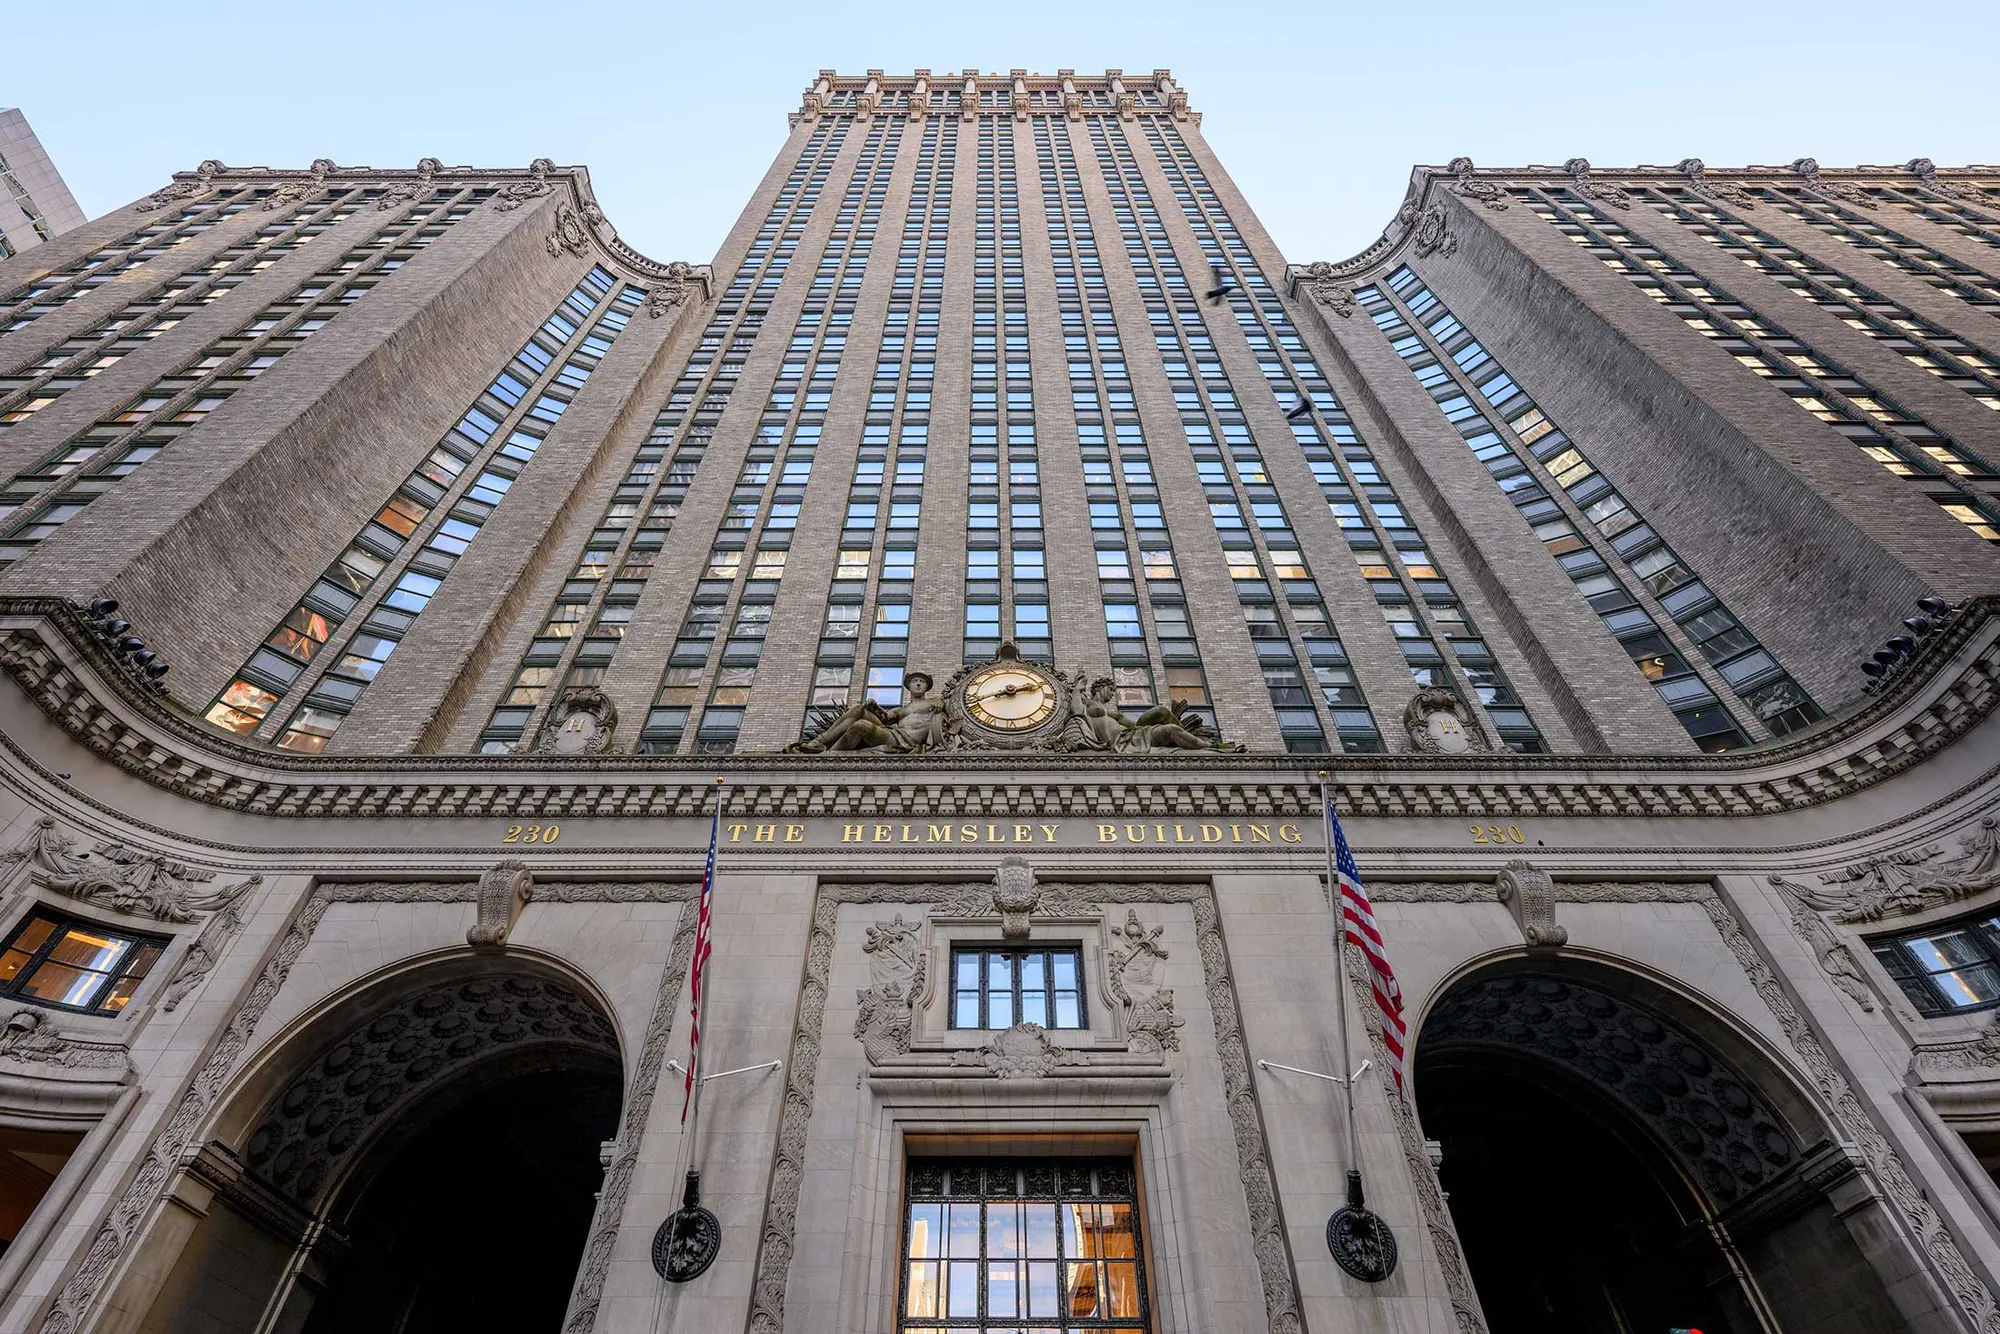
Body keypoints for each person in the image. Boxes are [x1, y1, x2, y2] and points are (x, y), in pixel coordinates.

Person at [1069, 675, 1242, 753]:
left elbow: (1134, 725)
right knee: (1172, 731)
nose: (1112, 694)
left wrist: (1147, 729)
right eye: (1111, 690)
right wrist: (1077, 689)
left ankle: (1198, 741)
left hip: (1132, 735)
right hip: (1122, 743)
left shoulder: (1112, 713)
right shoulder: (1087, 703)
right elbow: (1076, 712)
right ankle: (1210, 747)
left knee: (1161, 711)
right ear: (1101, 687)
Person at [791, 672, 945, 753]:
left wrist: (940, 704)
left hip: (906, 742)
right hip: (894, 734)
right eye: (914, 681)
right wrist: (874, 708)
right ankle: (818, 742)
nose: (918, 684)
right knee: (859, 710)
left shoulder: (934, 702)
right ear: (908, 686)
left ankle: (830, 755)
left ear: (927, 686)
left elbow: (945, 708)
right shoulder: (901, 710)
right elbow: (884, 719)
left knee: (861, 726)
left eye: (922, 682)